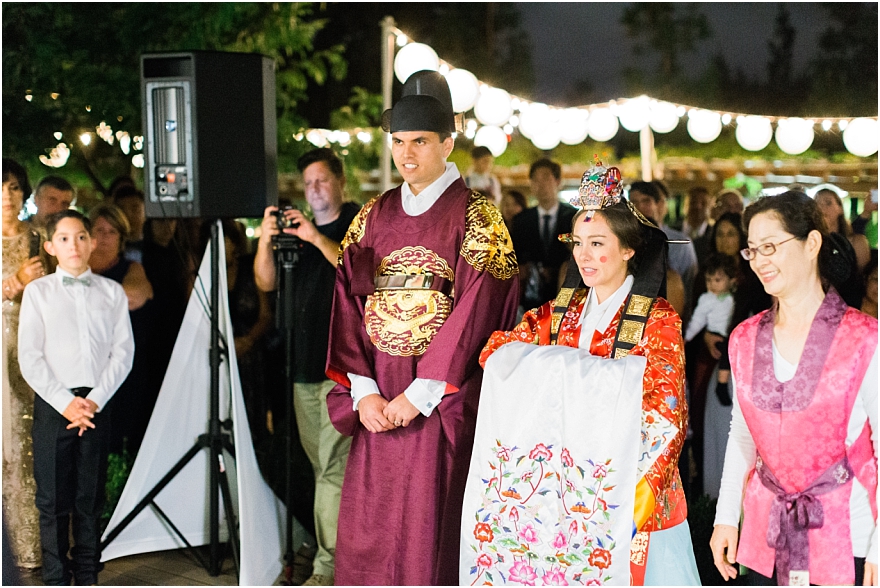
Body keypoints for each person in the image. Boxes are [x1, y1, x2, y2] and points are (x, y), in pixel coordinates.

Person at [324, 69, 520, 585]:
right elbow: (348, 299)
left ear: (448, 142)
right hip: (378, 399)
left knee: (428, 534)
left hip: (434, 405)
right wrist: (363, 391)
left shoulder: (478, 216)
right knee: (370, 530)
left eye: (421, 142)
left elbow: (478, 310)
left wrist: (423, 391)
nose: (407, 155)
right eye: (398, 142)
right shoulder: (372, 215)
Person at [469, 161, 699, 585]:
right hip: (561, 491)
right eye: (578, 243)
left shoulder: (657, 320)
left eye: (598, 243)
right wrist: (585, 372)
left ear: (629, 249)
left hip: (631, 491)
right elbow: (495, 352)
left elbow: (667, 415)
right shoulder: (557, 315)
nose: (584, 255)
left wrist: (626, 497)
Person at [710, 191, 878, 586]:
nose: (760, 261)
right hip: (768, 530)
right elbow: (743, 437)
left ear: (813, 244)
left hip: (849, 534)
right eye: (753, 251)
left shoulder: (864, 337)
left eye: (771, 246)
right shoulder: (745, 338)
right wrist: (725, 519)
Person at [254, 147, 361, 586]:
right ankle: (328, 549)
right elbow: (265, 281)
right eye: (308, 183)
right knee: (320, 469)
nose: (314, 190)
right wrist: (265, 237)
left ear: (340, 182)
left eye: (321, 180)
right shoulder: (293, 231)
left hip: (340, 367)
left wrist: (315, 236)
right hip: (300, 367)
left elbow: (357, 272)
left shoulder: (356, 221)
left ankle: (326, 567)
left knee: (332, 470)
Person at [18, 210, 134, 586]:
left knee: (90, 495)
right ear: (51, 246)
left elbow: (123, 353)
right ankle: (55, 577)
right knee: (52, 500)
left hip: (97, 403)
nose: (75, 245)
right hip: (55, 406)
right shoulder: (38, 293)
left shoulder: (112, 293)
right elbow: (30, 357)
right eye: (65, 239)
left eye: (82, 236)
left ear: (93, 242)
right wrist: (65, 402)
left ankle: (87, 575)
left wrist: (94, 400)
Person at [2, 158, 45, 573]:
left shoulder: (39, 238)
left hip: (29, 345)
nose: (8, 196)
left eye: (15, 187)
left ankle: (29, 549)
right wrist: (12, 283)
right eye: (2, 187)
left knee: (26, 444)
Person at [88, 203, 154, 455]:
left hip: (122, 370)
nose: (103, 237)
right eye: (98, 230)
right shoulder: (75, 270)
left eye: (111, 232)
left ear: (122, 239)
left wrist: (83, 303)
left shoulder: (131, 268)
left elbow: (134, 296)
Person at [511, 158, 577, 312]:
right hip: (531, 298)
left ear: (558, 181)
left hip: (565, 296)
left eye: (546, 178)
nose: (541, 185)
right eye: (536, 180)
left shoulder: (574, 217)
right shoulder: (521, 220)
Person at [628, 181, 698, 324]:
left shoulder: (680, 243)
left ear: (659, 204)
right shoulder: (623, 241)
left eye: (646, 201)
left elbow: (691, 286)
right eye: (634, 202)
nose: (639, 207)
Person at [113, 186, 147, 264]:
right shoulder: (109, 249)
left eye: (135, 208)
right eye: (122, 209)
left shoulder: (154, 249)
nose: (128, 215)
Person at [684, 186, 712, 266]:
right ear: (685, 206)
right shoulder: (671, 232)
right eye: (693, 202)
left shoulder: (714, 234)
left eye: (703, 203)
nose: (698, 207)